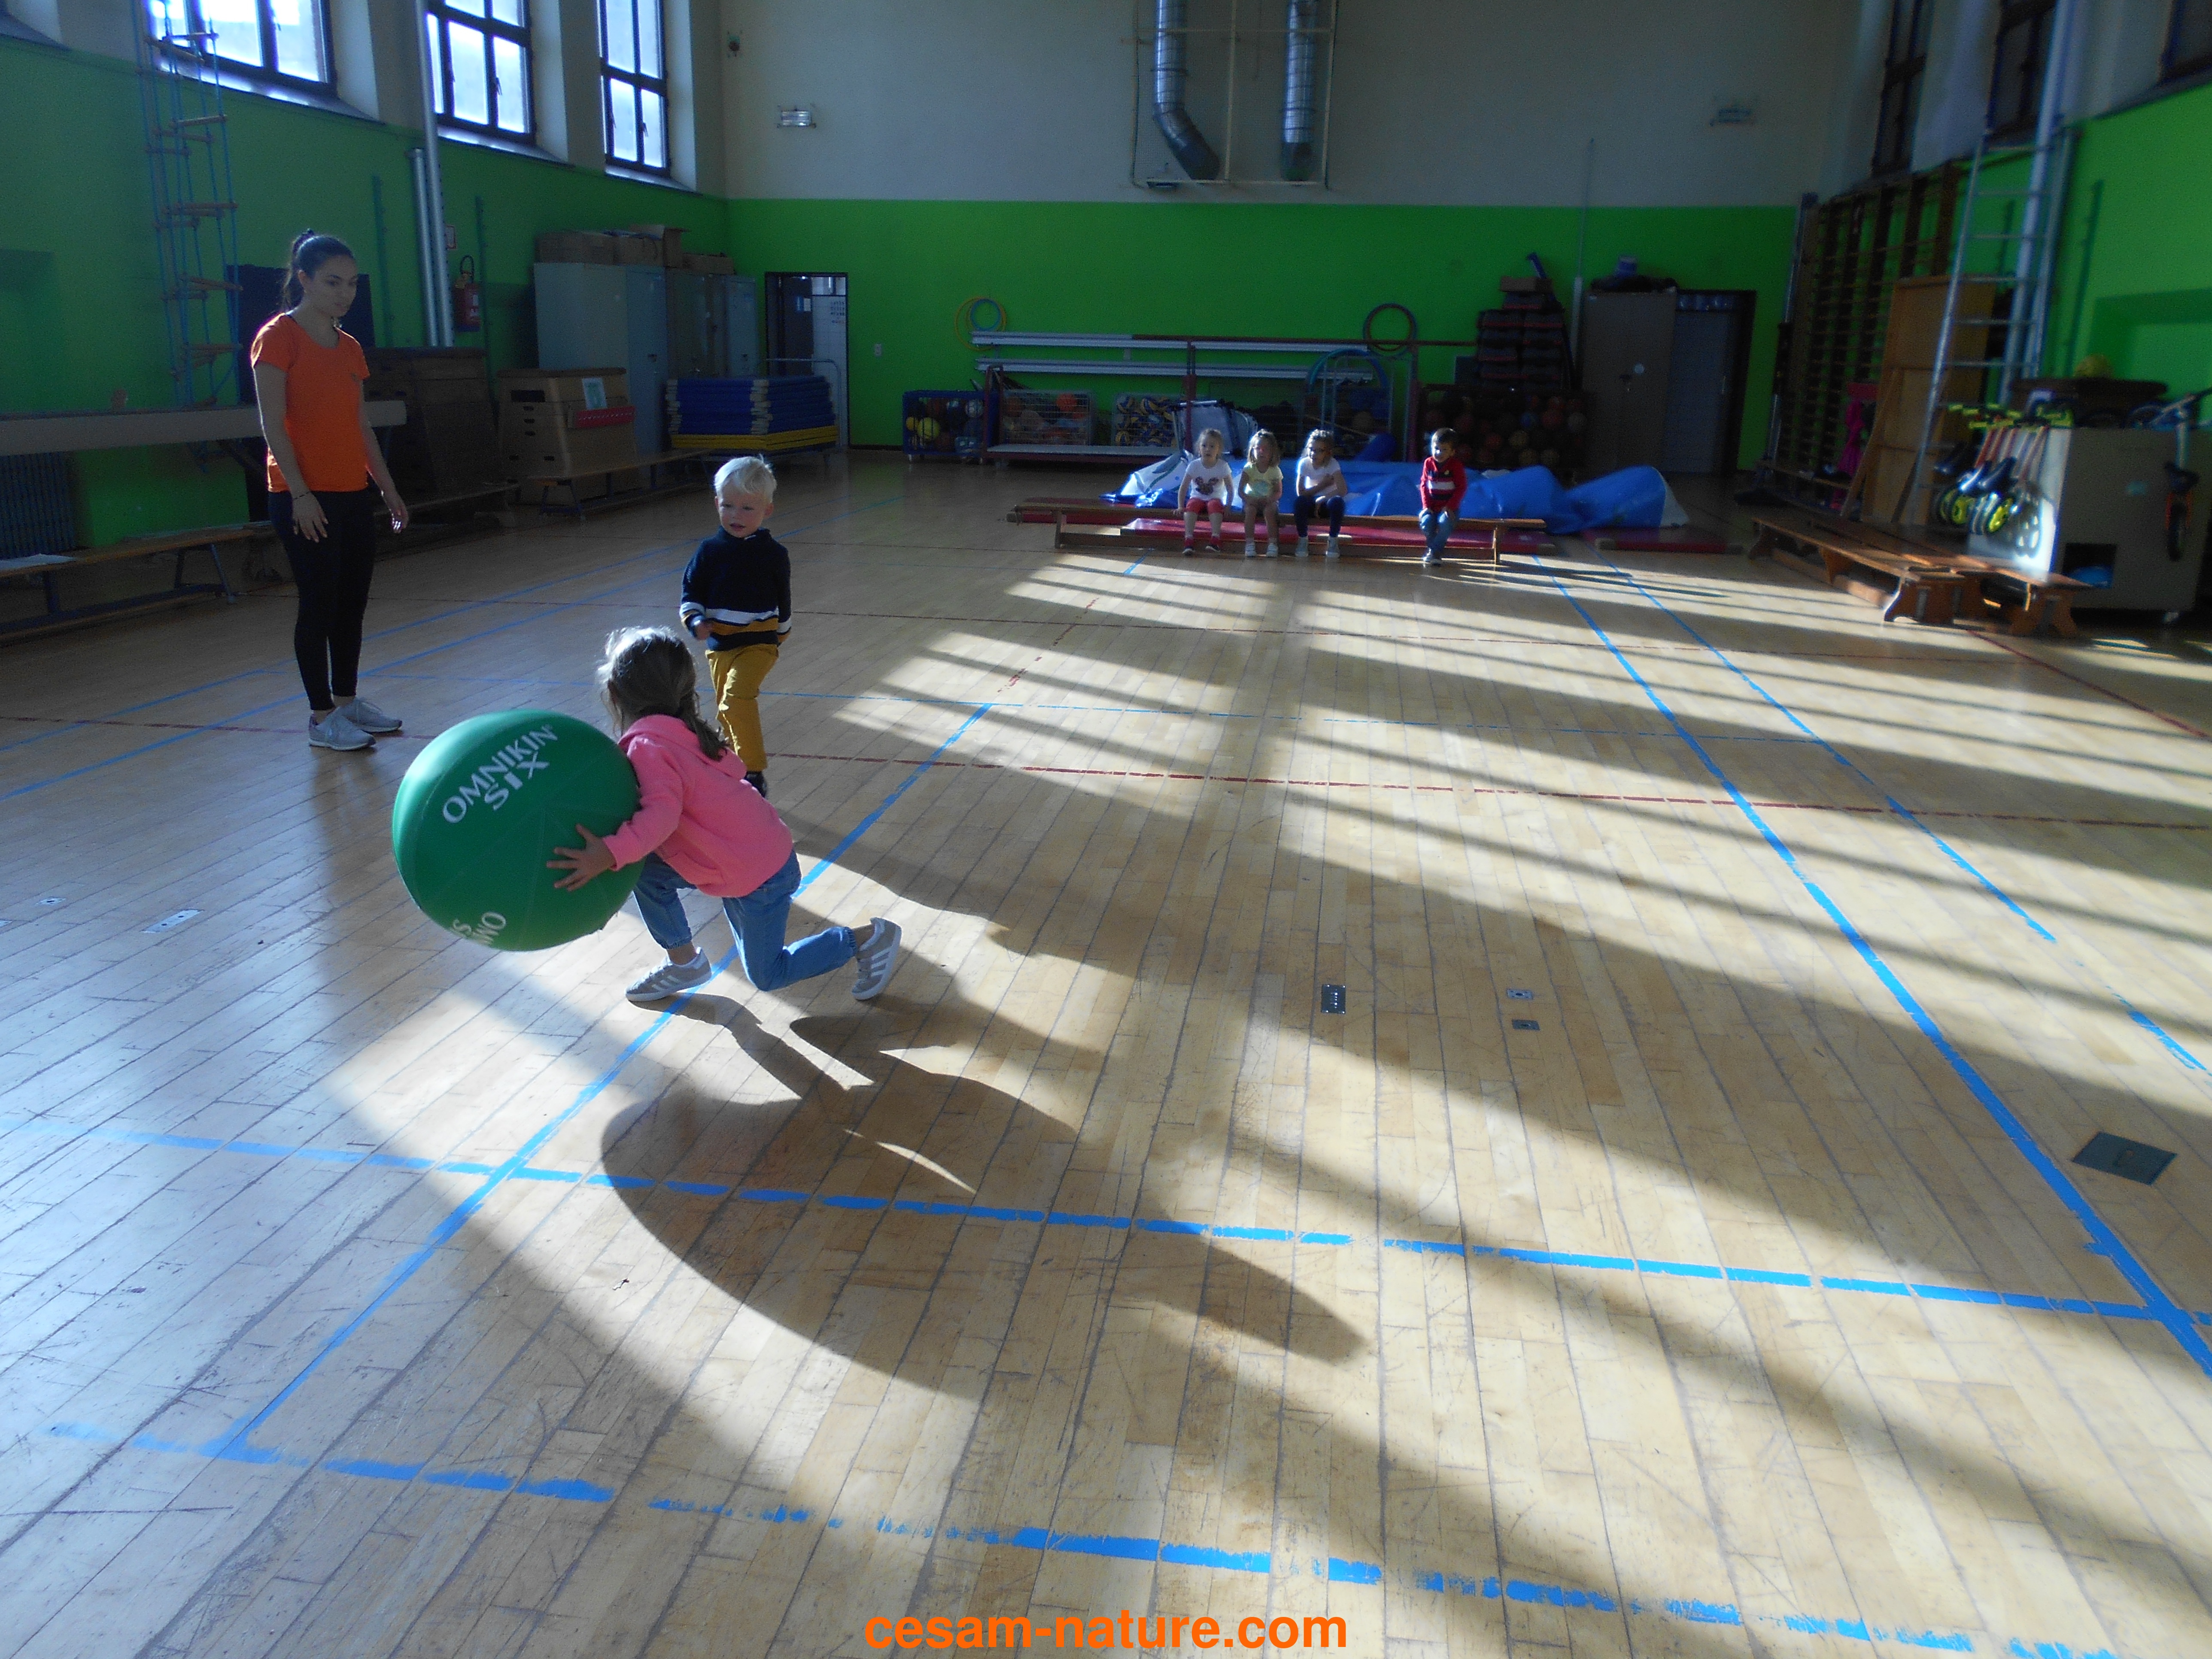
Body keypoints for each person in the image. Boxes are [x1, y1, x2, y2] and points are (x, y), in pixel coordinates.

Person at [548, 626, 902, 1007]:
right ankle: (684, 962)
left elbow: (661, 817)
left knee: (768, 974)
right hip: (739, 857)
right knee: (647, 872)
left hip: (757, 875)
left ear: (614, 694)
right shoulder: (679, 730)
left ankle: (869, 939)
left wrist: (610, 853)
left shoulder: (650, 746)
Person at [250, 231, 410, 752]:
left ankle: (347, 700)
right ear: (304, 280)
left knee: (351, 603)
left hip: (350, 491)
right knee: (318, 603)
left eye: (352, 284)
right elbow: (272, 423)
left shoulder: (350, 349)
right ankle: (321, 717)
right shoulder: (278, 338)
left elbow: (359, 425)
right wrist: (299, 494)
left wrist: (386, 487)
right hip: (303, 496)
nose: (345, 294)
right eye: (332, 282)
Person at [679, 455, 788, 798]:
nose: (736, 516)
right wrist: (695, 621)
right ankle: (734, 765)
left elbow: (784, 598)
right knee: (726, 712)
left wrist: (781, 633)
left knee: (736, 699)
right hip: (720, 647)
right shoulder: (709, 552)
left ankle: (753, 772)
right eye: (728, 506)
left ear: (767, 510)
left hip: (760, 644)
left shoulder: (774, 554)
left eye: (747, 508)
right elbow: (690, 593)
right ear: (717, 504)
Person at [1178, 428, 1234, 555]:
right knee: (1191, 506)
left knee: (1214, 506)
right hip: (1197, 497)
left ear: (1219, 450)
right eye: (1204, 446)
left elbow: (1230, 489)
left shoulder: (1223, 466)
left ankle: (1215, 539)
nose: (1208, 449)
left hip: (1214, 498)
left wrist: (1228, 506)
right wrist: (1181, 506)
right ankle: (1189, 539)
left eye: (1212, 446)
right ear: (1199, 448)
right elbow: (1184, 487)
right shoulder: (1194, 465)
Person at [1294, 429, 1348, 559]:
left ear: (1328, 452)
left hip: (1326, 504)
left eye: (1319, 451)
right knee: (1300, 502)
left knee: (1337, 502)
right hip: (1311, 502)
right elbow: (1301, 493)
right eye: (1311, 449)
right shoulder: (1304, 464)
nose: (1314, 454)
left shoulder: (1333, 464)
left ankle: (1333, 540)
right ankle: (1303, 539)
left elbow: (1343, 490)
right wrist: (1322, 486)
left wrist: (1323, 498)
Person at [1418, 427, 1466, 568]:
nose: (1439, 453)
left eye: (1444, 450)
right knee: (1426, 522)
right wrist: (1426, 507)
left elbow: (1461, 488)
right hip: (1432, 507)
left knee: (1445, 523)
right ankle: (1435, 550)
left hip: (1449, 508)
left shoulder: (1456, 466)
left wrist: (1450, 507)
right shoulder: (1428, 463)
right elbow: (1424, 485)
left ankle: (1435, 552)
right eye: (1437, 449)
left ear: (1452, 452)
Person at [1237, 430, 1283, 559]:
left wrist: (1270, 499)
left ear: (1272, 452)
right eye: (1258, 448)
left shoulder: (1275, 471)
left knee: (1270, 511)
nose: (1261, 452)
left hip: (1268, 501)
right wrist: (1248, 499)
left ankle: (1273, 544)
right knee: (1250, 511)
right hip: (1252, 501)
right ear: (1252, 450)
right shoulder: (1249, 469)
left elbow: (1278, 492)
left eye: (1266, 449)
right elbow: (1241, 490)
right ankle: (1250, 543)